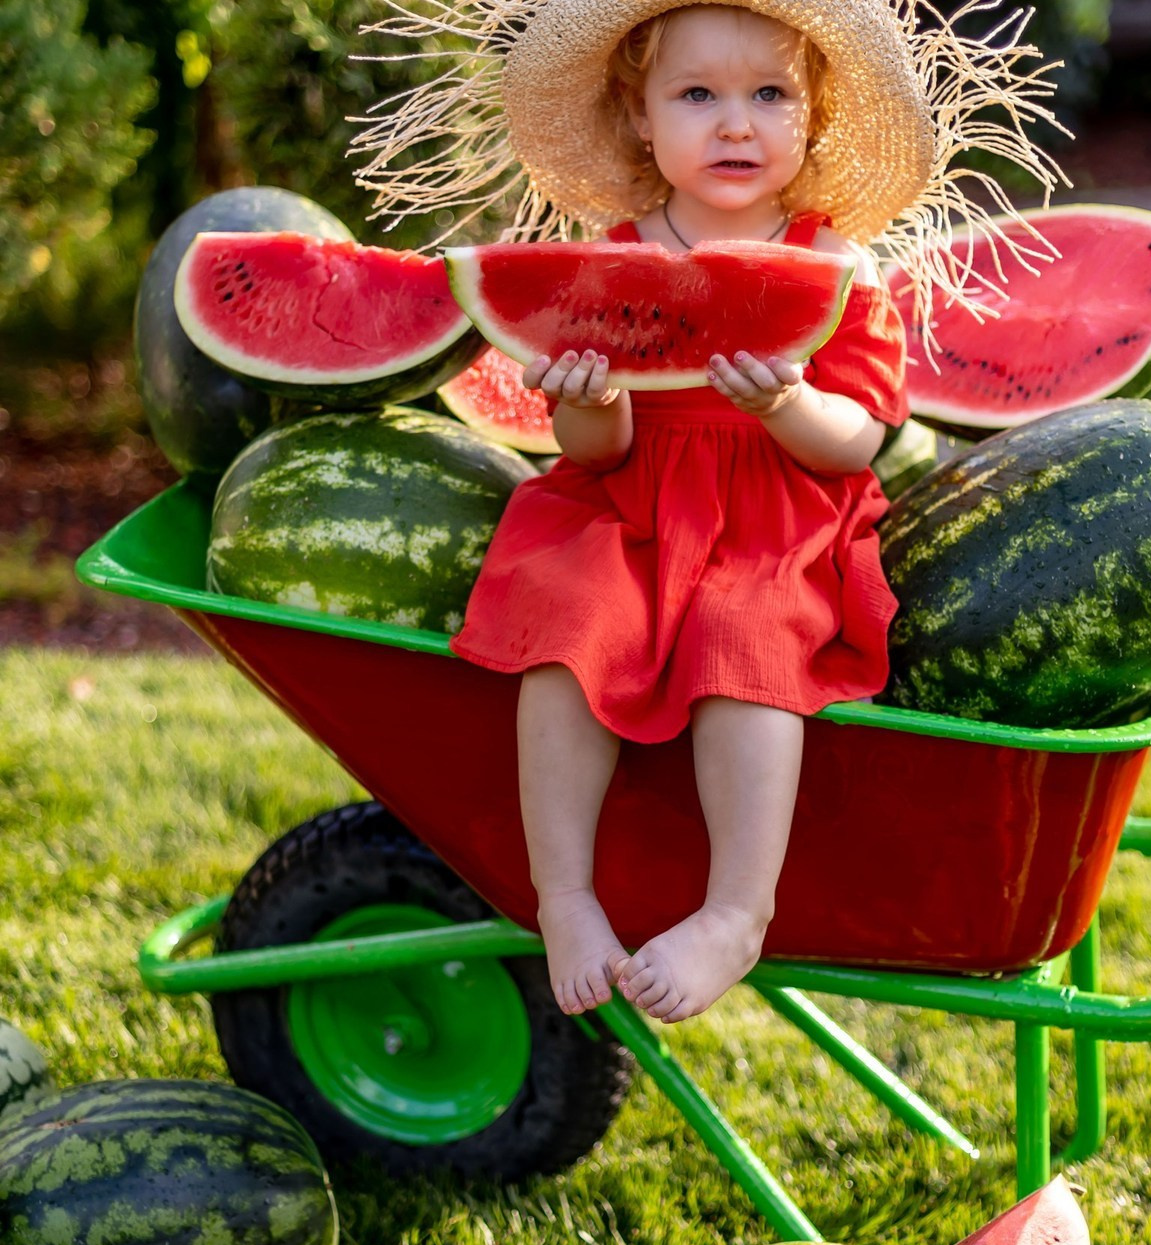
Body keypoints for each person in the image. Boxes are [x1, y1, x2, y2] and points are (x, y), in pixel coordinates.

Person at [352, 0, 1064, 1023]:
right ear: (639, 117)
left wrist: (786, 402)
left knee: (748, 637)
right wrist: (589, 402)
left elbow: (856, 438)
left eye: (767, 95)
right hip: (628, 504)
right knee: (568, 616)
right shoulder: (611, 258)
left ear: (811, 116)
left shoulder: (837, 267)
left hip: (777, 517)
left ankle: (737, 908)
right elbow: (587, 450)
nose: (735, 124)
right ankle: (564, 896)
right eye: (697, 95)